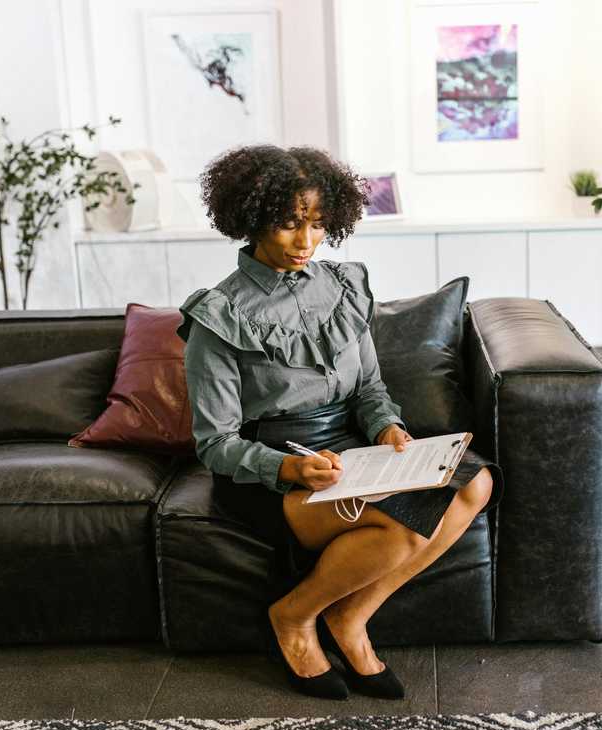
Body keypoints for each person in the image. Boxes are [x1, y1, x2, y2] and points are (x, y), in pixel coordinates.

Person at [176, 144, 501, 701]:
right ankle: (294, 617)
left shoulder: (345, 287)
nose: (306, 242)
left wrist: (387, 429)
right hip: (272, 472)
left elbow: (370, 389)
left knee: (476, 484)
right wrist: (290, 469)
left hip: (352, 451)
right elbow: (215, 443)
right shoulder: (219, 316)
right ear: (251, 220)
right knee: (402, 526)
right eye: (288, 225)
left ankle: (350, 619)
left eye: (318, 224)